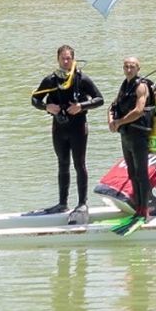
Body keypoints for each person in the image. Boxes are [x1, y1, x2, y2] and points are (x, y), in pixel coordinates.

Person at [32, 45, 105, 222]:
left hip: (78, 127)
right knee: (62, 163)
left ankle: (82, 203)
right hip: (59, 127)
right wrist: (46, 107)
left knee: (79, 164)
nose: (66, 61)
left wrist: (81, 106)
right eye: (63, 58)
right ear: (58, 59)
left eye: (68, 58)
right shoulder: (51, 80)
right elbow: (35, 99)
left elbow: (99, 99)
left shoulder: (81, 79)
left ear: (73, 59)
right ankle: (62, 203)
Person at [108, 56, 153, 222]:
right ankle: (137, 207)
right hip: (126, 136)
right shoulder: (124, 85)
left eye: (132, 67)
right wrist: (111, 121)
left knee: (141, 173)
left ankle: (145, 209)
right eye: (126, 66)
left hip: (139, 135)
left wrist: (120, 121)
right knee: (132, 173)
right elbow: (112, 106)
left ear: (138, 69)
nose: (129, 69)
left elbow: (139, 110)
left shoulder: (140, 86)